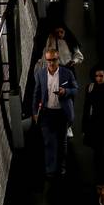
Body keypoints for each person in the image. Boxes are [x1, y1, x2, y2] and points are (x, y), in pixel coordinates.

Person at [33, 49, 78, 177]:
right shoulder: (40, 74)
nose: (51, 63)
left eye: (53, 60)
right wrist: (35, 112)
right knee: (49, 141)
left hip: (62, 113)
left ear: (58, 60)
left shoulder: (67, 73)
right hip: (47, 113)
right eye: (48, 60)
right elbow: (36, 94)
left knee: (62, 142)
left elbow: (75, 89)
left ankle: (61, 167)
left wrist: (66, 91)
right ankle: (50, 170)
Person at [82, 65, 104, 179]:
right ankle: (98, 172)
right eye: (96, 76)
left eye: (101, 76)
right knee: (97, 149)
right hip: (95, 123)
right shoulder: (90, 87)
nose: (98, 78)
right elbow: (86, 108)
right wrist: (84, 127)